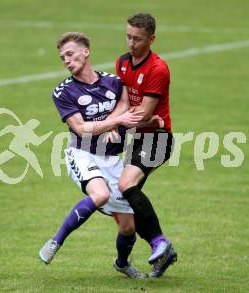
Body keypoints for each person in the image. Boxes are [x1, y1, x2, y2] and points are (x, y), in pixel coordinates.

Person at [38, 32, 163, 278]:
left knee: (129, 225)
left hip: (112, 160)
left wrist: (138, 122)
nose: (66, 60)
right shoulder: (63, 92)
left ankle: (122, 263)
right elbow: (81, 128)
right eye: (63, 57)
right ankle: (56, 241)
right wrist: (114, 122)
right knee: (101, 194)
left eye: (71, 54)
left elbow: (127, 106)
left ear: (86, 52)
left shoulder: (113, 82)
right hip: (82, 154)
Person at [113, 12, 178, 277]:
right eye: (128, 36)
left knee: (125, 185)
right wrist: (120, 118)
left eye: (137, 39)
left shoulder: (157, 69)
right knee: (127, 202)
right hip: (139, 139)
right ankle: (152, 255)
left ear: (151, 39)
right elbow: (127, 106)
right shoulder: (122, 63)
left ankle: (159, 242)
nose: (131, 43)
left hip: (159, 140)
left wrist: (111, 124)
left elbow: (143, 115)